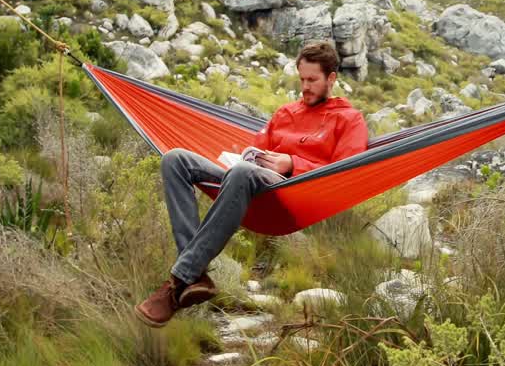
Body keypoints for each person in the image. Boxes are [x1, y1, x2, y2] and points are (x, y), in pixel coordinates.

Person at [136, 40, 369, 327]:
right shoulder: (285, 113)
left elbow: (345, 175)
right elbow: (254, 152)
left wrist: (293, 165)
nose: (305, 87)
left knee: (243, 172)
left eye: (312, 80)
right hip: (249, 181)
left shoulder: (349, 119)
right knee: (175, 160)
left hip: (293, 193)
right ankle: (196, 275)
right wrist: (247, 159)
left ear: (331, 78)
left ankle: (178, 282)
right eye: (301, 79)